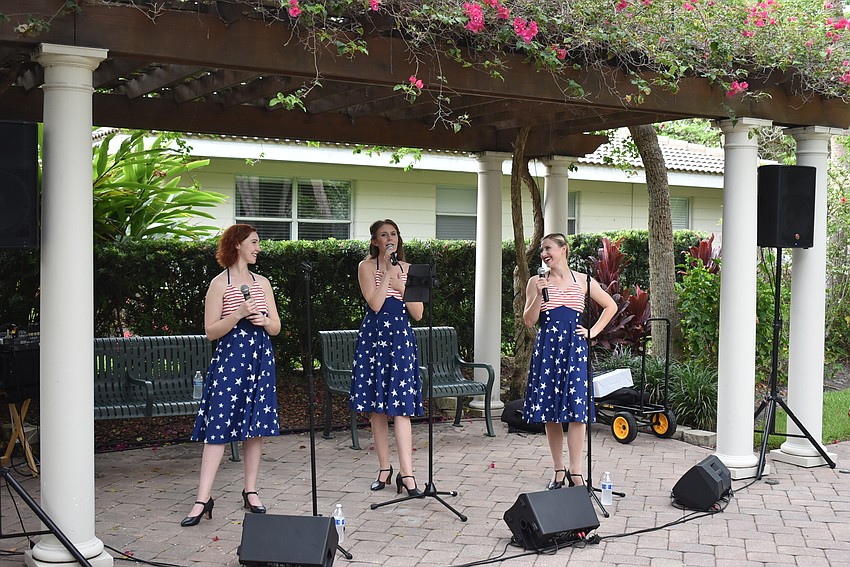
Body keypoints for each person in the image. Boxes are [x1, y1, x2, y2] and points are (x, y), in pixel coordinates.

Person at [181, 224, 282, 526]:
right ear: (237, 244)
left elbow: (277, 327)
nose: (258, 248)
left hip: (260, 359)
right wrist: (237, 314)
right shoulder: (218, 284)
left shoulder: (262, 282)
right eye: (254, 242)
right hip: (230, 361)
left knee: (255, 427)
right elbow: (211, 331)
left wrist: (263, 319)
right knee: (218, 427)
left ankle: (250, 491)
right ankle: (202, 499)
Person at [522, 233, 617, 490]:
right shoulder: (536, 281)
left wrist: (593, 332)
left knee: (577, 412)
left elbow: (610, 306)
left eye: (549, 248)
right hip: (547, 349)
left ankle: (576, 471)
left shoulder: (583, 280)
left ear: (564, 249)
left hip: (574, 349)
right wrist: (538, 296)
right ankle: (558, 470)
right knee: (550, 412)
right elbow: (529, 321)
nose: (544, 253)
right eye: (542, 250)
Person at [350, 219, 425, 496]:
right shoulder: (365, 267)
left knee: (401, 407)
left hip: (400, 340)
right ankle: (384, 468)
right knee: (377, 407)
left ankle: (408, 474)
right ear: (375, 241)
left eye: (393, 233)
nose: (389, 238)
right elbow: (376, 303)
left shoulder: (410, 270)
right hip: (374, 339)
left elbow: (417, 313)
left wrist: (398, 281)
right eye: (383, 234)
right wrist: (386, 275)